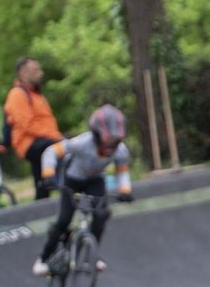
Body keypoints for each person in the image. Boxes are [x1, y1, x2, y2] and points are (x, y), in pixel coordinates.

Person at [30, 104, 134, 277]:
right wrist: (48, 173)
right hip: (73, 179)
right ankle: (43, 258)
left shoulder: (121, 151)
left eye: (116, 140)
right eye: (108, 140)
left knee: (101, 214)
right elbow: (51, 152)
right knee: (64, 220)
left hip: (96, 180)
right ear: (96, 135)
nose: (112, 144)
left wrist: (125, 190)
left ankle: (91, 255)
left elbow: (122, 172)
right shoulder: (82, 143)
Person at [4, 56, 62, 200]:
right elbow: (27, 125)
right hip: (29, 143)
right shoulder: (17, 94)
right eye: (36, 70)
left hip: (42, 140)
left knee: (41, 182)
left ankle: (41, 205)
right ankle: (67, 189)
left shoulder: (35, 94)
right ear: (23, 74)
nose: (41, 73)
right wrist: (56, 136)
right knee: (60, 150)